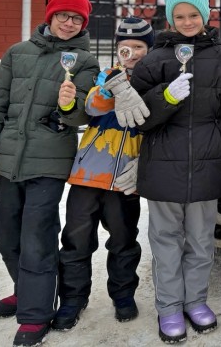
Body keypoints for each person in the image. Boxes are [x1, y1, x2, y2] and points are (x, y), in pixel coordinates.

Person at [0, 0, 100, 347]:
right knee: (7, 234)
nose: (69, 23)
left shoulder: (85, 62)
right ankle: (25, 289)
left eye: (77, 19)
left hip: (49, 162)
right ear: (50, 16)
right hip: (10, 159)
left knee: (36, 237)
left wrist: (70, 104)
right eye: (63, 16)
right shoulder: (17, 54)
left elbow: (82, 115)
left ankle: (35, 313)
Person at [129, 0, 221, 344]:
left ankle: (195, 301)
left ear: (205, 15)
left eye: (194, 14)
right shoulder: (153, 61)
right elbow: (138, 118)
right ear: (169, 18)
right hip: (163, 167)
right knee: (165, 241)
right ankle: (168, 307)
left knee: (201, 241)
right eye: (179, 16)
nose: (187, 21)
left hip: (208, 165)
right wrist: (165, 96)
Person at [52, 17, 154, 331]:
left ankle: (122, 295)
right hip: (88, 174)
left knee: (124, 241)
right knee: (76, 240)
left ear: (148, 50)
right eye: (125, 47)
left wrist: (145, 167)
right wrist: (115, 86)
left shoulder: (153, 82)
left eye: (139, 47)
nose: (132, 52)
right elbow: (93, 107)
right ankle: (73, 298)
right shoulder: (106, 76)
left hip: (125, 179)